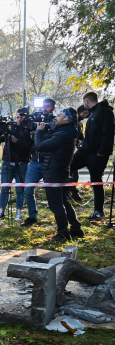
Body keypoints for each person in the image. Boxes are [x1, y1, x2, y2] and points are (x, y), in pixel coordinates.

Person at [35, 107, 84, 241]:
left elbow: (40, 146)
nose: (56, 118)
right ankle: (76, 228)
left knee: (56, 205)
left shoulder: (63, 134)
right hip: (59, 171)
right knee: (63, 201)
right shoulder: (67, 132)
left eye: (59, 116)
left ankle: (63, 233)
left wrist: (38, 132)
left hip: (54, 172)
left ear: (66, 119)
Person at [70, 91, 114, 221]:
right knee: (68, 166)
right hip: (85, 151)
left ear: (86, 102)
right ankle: (62, 196)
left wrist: (102, 151)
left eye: (84, 103)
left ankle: (98, 211)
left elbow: (108, 133)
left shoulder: (105, 112)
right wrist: (83, 142)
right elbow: (94, 134)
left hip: (98, 154)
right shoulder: (92, 114)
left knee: (96, 181)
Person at [21, 98, 57, 227]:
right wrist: (30, 133)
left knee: (52, 192)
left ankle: (58, 216)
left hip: (48, 162)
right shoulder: (35, 122)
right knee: (27, 190)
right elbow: (29, 143)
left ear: (53, 108)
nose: (44, 109)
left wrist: (40, 132)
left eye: (47, 107)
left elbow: (52, 141)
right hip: (35, 161)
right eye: (43, 107)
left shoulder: (55, 122)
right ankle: (32, 216)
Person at [0, 108, 32, 222]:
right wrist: (0, 130)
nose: (19, 120)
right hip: (7, 160)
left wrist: (17, 141)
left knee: (20, 189)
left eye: (21, 117)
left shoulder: (29, 128)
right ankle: (1, 212)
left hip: (22, 162)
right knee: (5, 188)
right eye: (17, 117)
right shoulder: (11, 128)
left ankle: (19, 213)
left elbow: (28, 146)